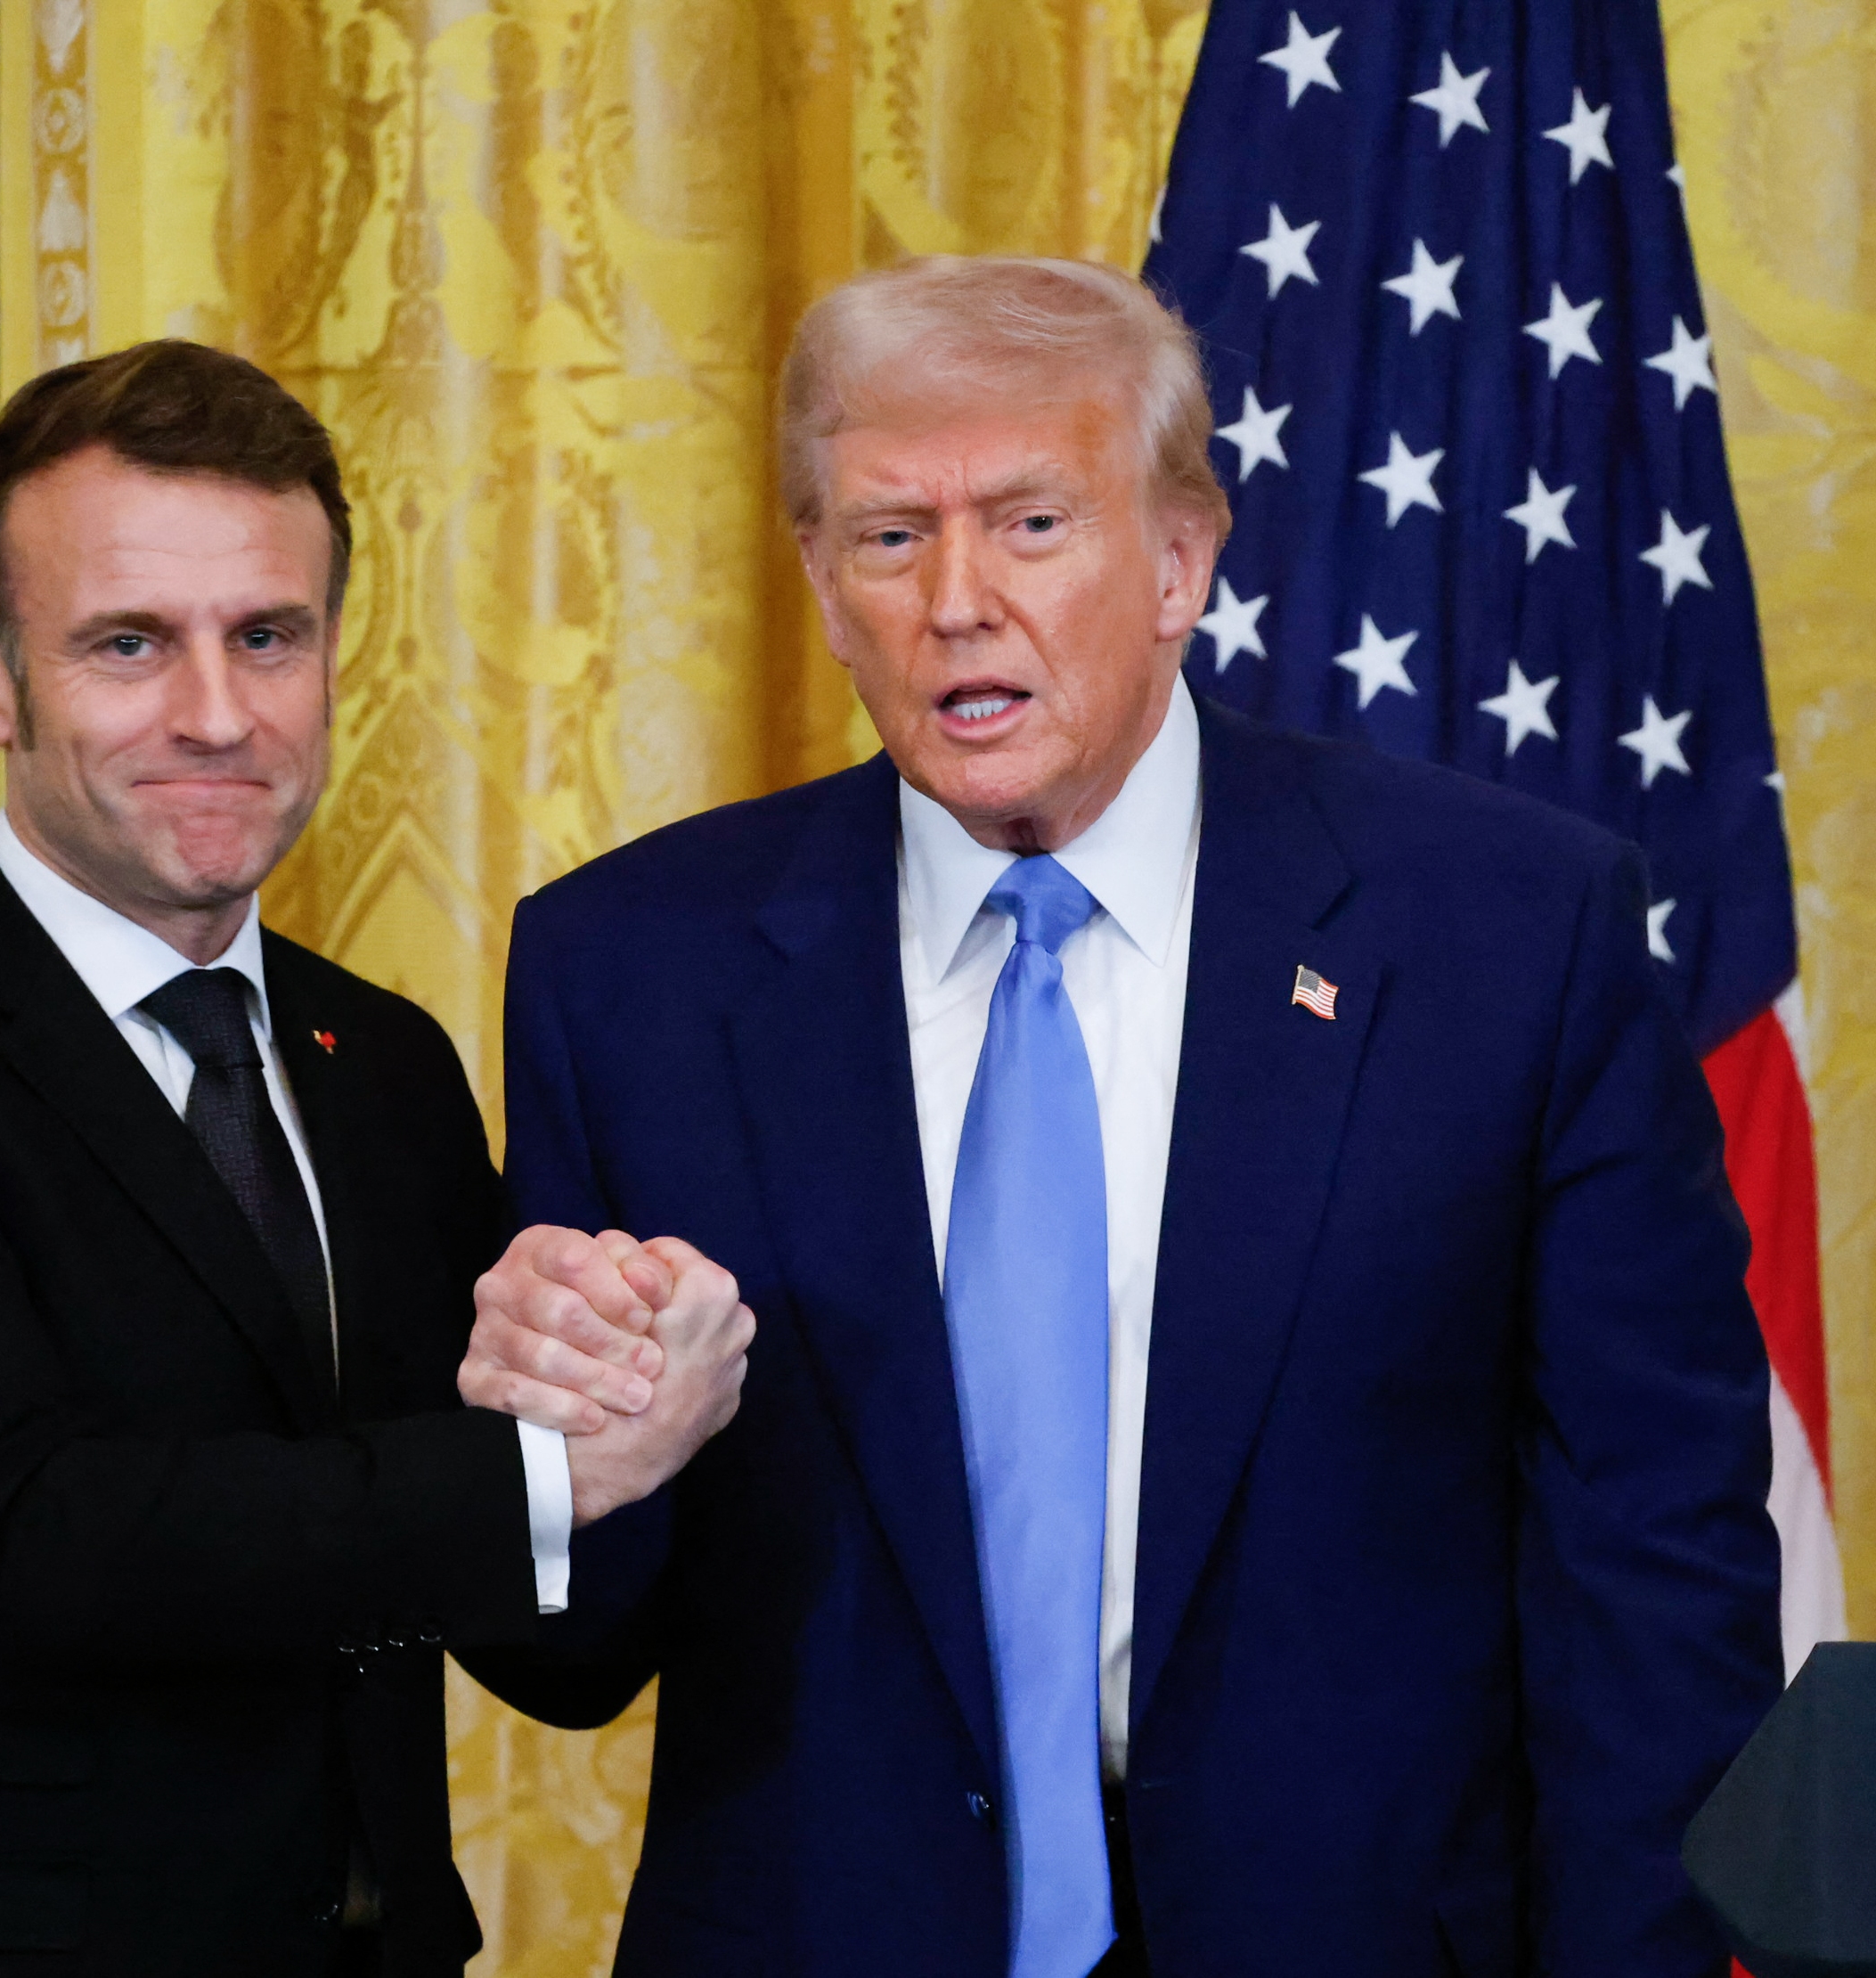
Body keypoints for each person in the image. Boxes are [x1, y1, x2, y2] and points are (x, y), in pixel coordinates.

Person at [456, 257, 1783, 1978]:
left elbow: (1654, 1563)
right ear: (818, 579)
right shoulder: (631, 970)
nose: (955, 601)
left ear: (1178, 562)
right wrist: (554, 1462)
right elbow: (569, 1655)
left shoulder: (1507, 935)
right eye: (888, 536)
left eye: (1029, 524)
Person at [0, 339, 751, 1978]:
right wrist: (547, 1471)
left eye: (269, 638)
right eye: (130, 644)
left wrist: (628, 1382)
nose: (218, 714)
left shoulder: (379, 1061)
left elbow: (547, 1644)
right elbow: (28, 1539)